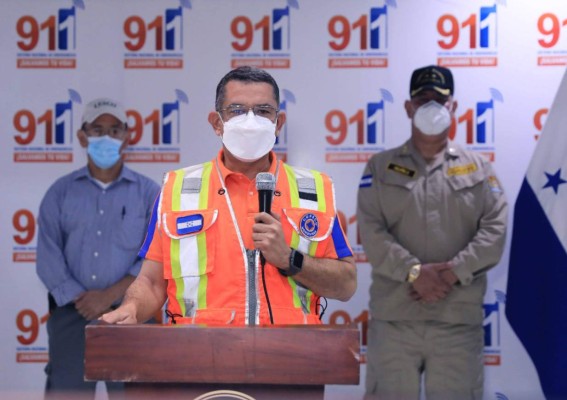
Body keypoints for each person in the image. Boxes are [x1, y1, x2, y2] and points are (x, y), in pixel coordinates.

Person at [101, 66, 357, 326]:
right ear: (217, 123)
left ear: (278, 123)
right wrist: (132, 307)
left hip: (290, 356)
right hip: (199, 354)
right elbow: (152, 282)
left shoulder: (312, 189)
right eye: (236, 110)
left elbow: (346, 285)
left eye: (263, 111)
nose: (250, 121)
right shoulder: (177, 189)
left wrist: (291, 259)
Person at [357, 65, 508, 400]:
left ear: (453, 107)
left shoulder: (480, 169)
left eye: (439, 100)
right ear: (409, 107)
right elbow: (370, 230)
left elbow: (495, 230)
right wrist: (413, 272)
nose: (431, 107)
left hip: (456, 322)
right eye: (422, 99)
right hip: (396, 320)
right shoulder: (379, 168)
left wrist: (452, 274)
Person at [36, 97, 160, 397]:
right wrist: (83, 299)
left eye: (115, 130)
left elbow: (156, 254)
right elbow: (48, 257)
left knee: (136, 394)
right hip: (72, 317)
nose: (107, 137)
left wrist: (109, 296)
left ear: (127, 136)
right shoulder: (60, 192)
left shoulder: (149, 193)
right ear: (82, 135)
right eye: (97, 129)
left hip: (134, 315)